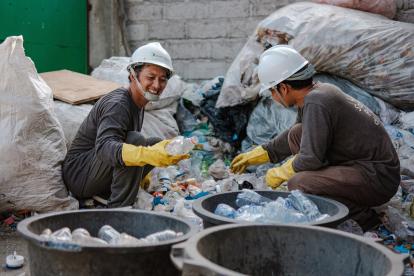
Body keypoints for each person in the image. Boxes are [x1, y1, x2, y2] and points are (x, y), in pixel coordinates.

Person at [230, 45, 400, 230]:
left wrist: (279, 172)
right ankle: (346, 199)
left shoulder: (317, 101)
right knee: (297, 133)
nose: (273, 97)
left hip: (377, 177)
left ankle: (365, 219)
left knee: (300, 183)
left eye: (272, 91)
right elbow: (296, 134)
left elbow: (310, 159)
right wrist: (263, 152)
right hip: (363, 167)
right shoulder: (317, 94)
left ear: (284, 88)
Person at [62, 42, 189, 208]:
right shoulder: (119, 104)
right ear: (132, 76)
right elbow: (105, 148)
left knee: (156, 144)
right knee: (135, 141)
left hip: (94, 172)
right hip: (80, 177)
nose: (157, 85)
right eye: (150, 78)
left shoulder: (139, 104)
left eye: (162, 80)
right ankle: (119, 209)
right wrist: (145, 155)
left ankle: (111, 193)